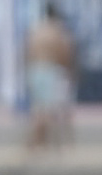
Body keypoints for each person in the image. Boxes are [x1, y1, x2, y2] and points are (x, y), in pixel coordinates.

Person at [27, 4, 76, 150]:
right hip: (51, 70)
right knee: (53, 110)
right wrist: (69, 71)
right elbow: (65, 52)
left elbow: (27, 52)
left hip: (35, 70)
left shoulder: (36, 31)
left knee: (39, 108)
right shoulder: (57, 31)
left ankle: (40, 142)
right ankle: (54, 143)